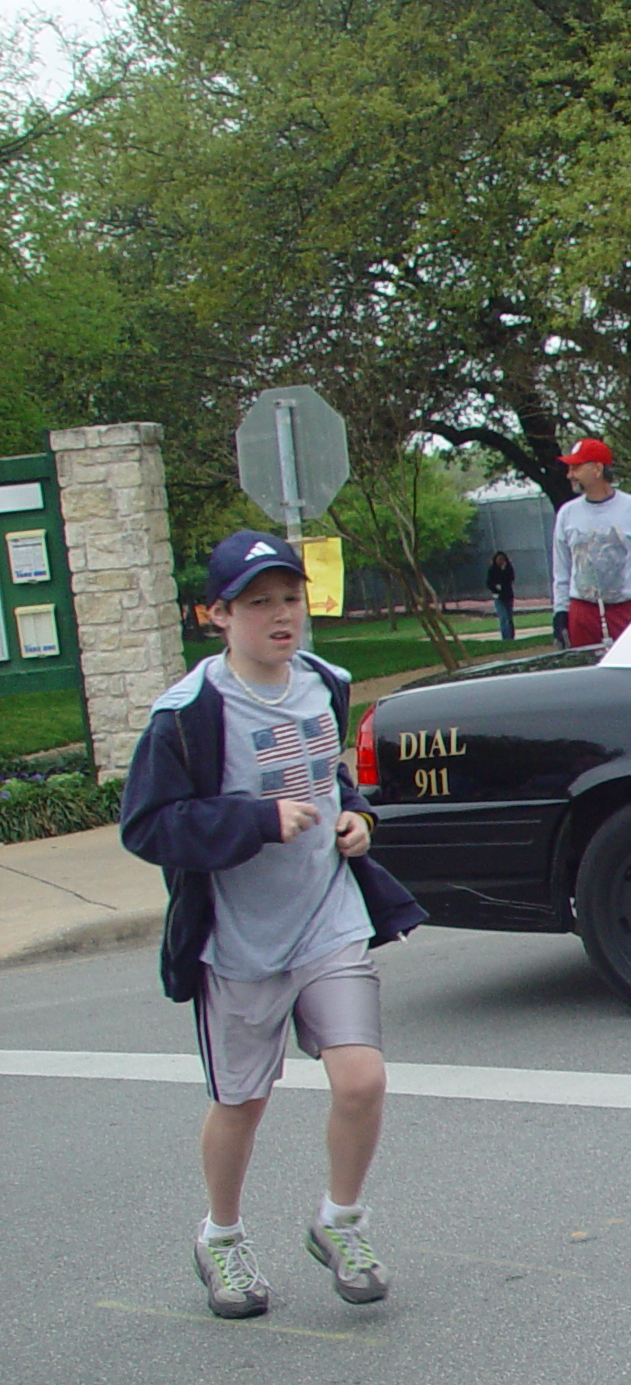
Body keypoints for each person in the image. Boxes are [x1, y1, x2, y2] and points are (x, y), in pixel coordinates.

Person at [120, 530, 427, 1321]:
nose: (280, 615)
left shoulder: (326, 682)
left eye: (290, 598)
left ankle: (341, 1222)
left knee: (362, 1078)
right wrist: (254, 821)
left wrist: (357, 818)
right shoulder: (188, 714)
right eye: (258, 603)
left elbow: (328, 778)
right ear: (218, 614)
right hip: (238, 937)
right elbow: (149, 825)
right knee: (242, 1103)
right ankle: (221, 1235)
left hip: (328, 913)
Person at [550, 438, 631, 648]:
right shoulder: (567, 514)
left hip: (625, 609)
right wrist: (560, 611)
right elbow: (562, 569)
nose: (570, 475)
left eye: (576, 468)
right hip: (583, 611)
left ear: (597, 469)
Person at [486, 548, 517, 643]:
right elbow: (489, 583)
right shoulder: (492, 570)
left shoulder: (508, 568)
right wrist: (496, 589)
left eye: (502, 559)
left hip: (508, 596)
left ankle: (511, 637)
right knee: (503, 617)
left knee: (509, 617)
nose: (500, 561)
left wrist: (505, 570)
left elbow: (511, 579)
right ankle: (505, 638)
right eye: (498, 559)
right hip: (498, 597)